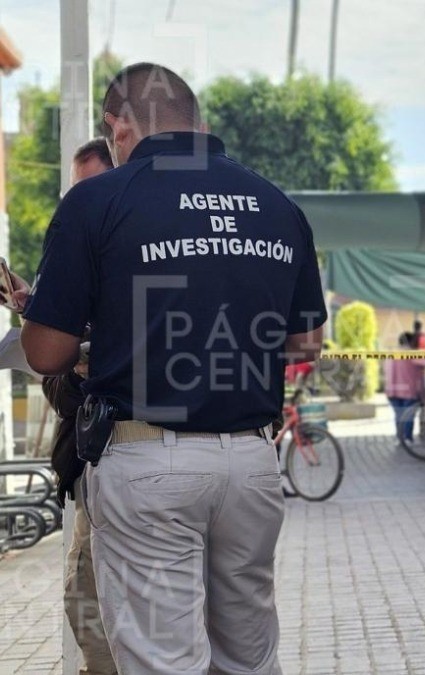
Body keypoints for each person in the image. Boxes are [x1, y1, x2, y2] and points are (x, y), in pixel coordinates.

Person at [21, 63, 326, 673]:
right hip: (251, 462)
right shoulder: (276, 203)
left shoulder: (97, 201)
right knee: (250, 660)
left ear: (118, 127)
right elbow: (306, 343)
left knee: (165, 661)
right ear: (198, 125)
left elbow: (46, 355)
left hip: (147, 460)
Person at [40, 138, 117, 675]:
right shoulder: (74, 264)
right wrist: (74, 370)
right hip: (91, 471)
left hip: (143, 468)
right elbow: (55, 389)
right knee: (87, 610)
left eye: (89, 188)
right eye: (74, 191)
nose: (80, 202)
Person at [385, 332, 425, 442]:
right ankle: (407, 438)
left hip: (392, 391)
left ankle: (400, 438)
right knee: (408, 416)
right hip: (408, 391)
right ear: (411, 341)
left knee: (399, 415)